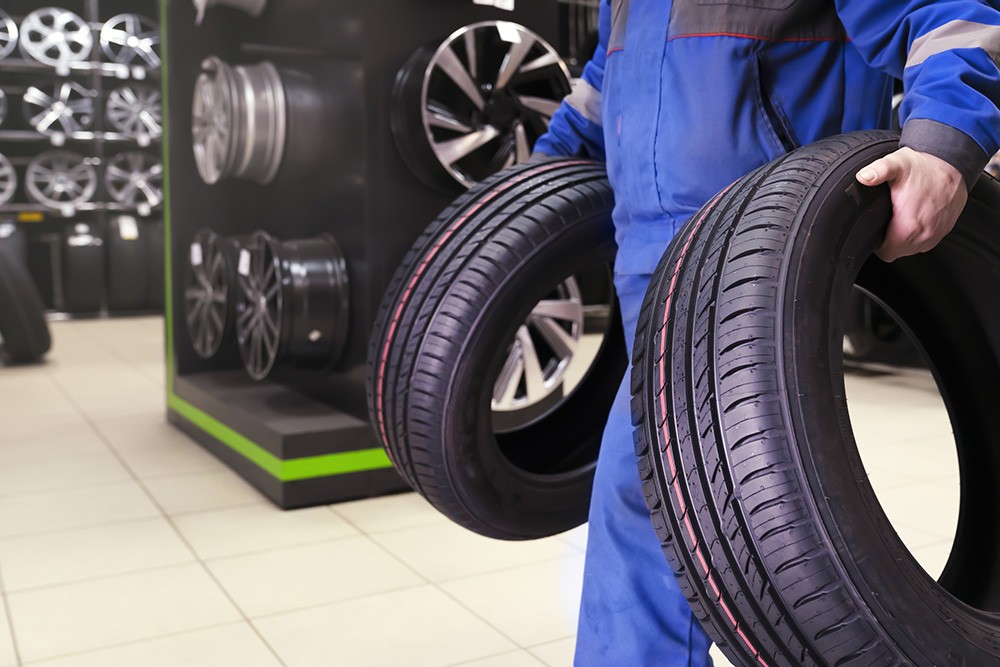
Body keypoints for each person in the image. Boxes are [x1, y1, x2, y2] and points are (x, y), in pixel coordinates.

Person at [532, 1, 1000, 664]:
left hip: (755, 263)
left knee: (646, 501)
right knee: (686, 514)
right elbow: (607, 82)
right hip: (645, 259)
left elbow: (948, 14)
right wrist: (533, 183)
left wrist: (944, 145)